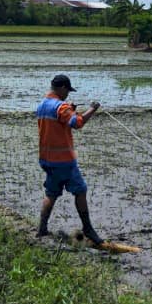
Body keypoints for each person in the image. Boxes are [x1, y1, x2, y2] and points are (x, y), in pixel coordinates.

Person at [35, 73, 103, 245]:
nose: (68, 95)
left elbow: (61, 119)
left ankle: (41, 228)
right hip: (63, 160)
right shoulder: (61, 107)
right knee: (80, 190)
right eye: (67, 91)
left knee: (51, 193)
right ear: (62, 88)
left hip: (46, 159)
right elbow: (77, 123)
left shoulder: (42, 105)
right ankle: (88, 228)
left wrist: (69, 108)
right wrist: (93, 109)